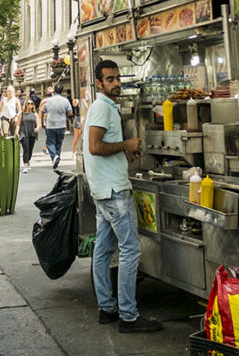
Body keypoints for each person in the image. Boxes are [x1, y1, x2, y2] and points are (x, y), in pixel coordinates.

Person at [83, 59, 162, 333]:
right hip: (114, 191)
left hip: (103, 191)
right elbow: (95, 146)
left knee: (103, 251)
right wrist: (126, 144)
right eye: (110, 79)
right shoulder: (102, 108)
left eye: (118, 78)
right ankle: (129, 315)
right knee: (130, 250)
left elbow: (101, 146)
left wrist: (124, 151)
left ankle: (107, 308)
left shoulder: (103, 107)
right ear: (99, 83)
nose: (116, 83)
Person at [40, 84, 73, 170]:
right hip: (62, 125)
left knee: (50, 142)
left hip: (51, 124)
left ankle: (54, 157)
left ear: (54, 91)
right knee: (59, 143)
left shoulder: (49, 101)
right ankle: (56, 157)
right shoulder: (65, 100)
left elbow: (43, 110)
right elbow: (70, 113)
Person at [18, 99, 40, 173]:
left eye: (31, 103)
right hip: (23, 133)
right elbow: (18, 124)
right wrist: (16, 133)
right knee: (26, 149)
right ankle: (25, 166)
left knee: (30, 149)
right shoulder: (21, 113)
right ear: (25, 104)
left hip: (32, 133)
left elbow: (38, 123)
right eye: (28, 103)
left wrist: (37, 128)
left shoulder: (35, 114)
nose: (30, 105)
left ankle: (28, 161)